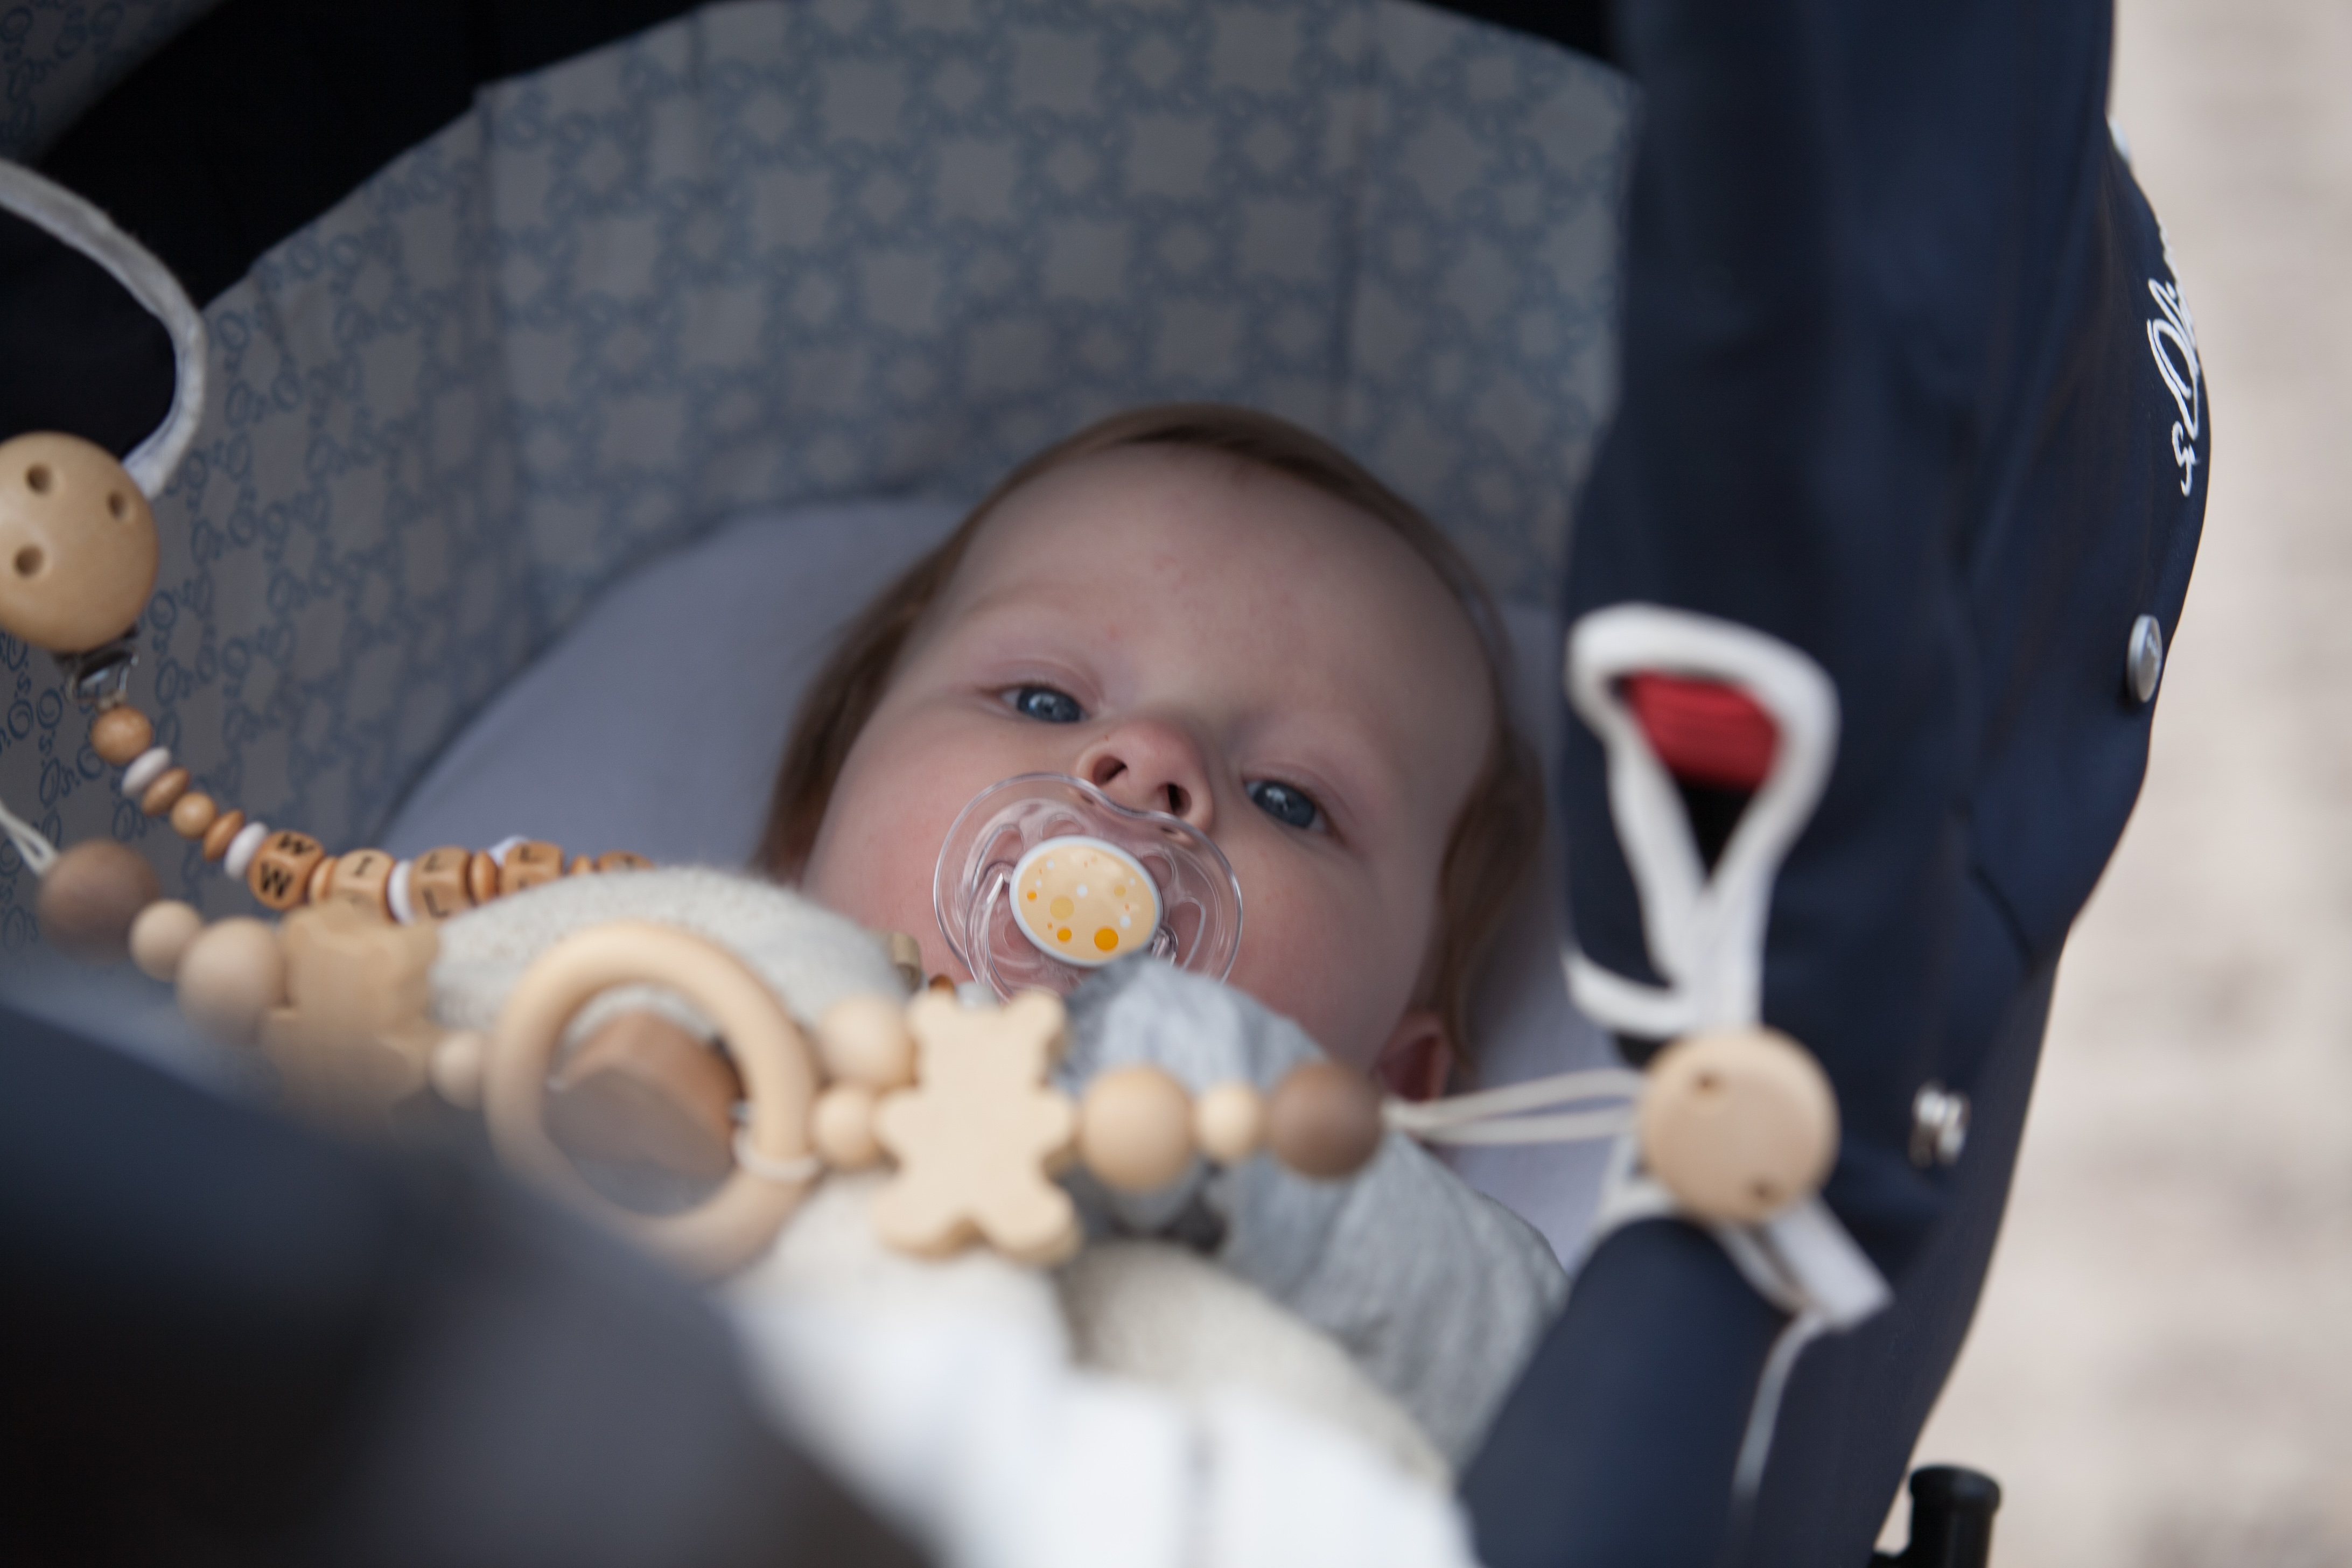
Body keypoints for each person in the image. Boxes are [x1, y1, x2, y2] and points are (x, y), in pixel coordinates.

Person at [757, 403, 1545, 1103]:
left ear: (1385, 1088)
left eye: (1288, 801)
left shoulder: (1358, 1225)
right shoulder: (698, 1036)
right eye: (1043, 700)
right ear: (805, 848)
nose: (1155, 755)